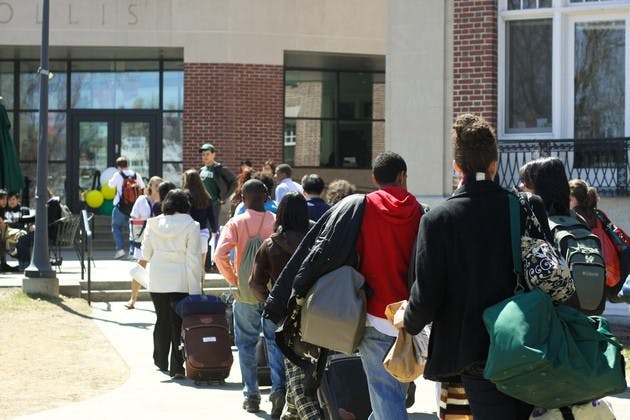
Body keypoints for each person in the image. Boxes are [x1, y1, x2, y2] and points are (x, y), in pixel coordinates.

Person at [266, 151, 423, 419]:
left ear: (374, 178)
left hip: (372, 315)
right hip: (410, 317)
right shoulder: (420, 211)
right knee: (389, 393)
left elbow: (323, 252)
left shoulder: (360, 208)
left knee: (386, 395)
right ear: (402, 177)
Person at [403, 114, 533, 419]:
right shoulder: (525, 206)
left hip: (473, 353)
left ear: (457, 167)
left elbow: (427, 296)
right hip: (527, 343)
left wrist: (408, 323)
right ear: (495, 165)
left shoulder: (437, 220)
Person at [214, 179, 285, 416]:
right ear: (266, 197)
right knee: (275, 341)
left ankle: (251, 395)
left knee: (245, 343)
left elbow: (220, 255)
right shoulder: (276, 223)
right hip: (272, 291)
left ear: (243, 199)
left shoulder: (236, 222)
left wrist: (233, 279)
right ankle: (277, 390)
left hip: (244, 292)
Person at [250, 192, 318, 420]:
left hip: (280, 313)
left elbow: (255, 284)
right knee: (311, 358)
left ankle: (279, 391)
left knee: (277, 353)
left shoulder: (269, 245)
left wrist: (270, 300)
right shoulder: (317, 243)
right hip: (313, 311)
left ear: (280, 215)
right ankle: (306, 399)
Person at [142, 189, 202, 378]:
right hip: (181, 278)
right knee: (178, 322)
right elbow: (193, 259)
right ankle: (177, 366)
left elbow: (145, 254)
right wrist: (196, 290)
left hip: (158, 277)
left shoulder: (153, 223)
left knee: (161, 319)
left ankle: (159, 359)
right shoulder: (192, 225)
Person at [125, 176, 163, 309]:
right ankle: (133, 298)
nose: (158, 188)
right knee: (140, 268)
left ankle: (159, 302)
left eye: (160, 185)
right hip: (144, 238)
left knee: (158, 270)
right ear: (150, 186)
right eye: (156, 185)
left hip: (159, 239)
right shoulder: (142, 200)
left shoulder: (164, 201)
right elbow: (133, 218)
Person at [108, 156, 145, 260]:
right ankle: (133, 252)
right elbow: (142, 187)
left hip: (120, 207)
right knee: (132, 230)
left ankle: (120, 250)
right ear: (127, 165)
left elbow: (110, 185)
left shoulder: (118, 175)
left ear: (119, 167)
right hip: (134, 207)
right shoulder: (136, 174)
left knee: (116, 227)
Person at [182, 169, 216, 280]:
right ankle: (201, 290)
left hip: (188, 232)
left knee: (188, 264)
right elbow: (212, 216)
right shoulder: (206, 196)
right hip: (203, 232)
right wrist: (214, 230)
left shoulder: (185, 195)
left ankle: (189, 291)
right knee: (201, 266)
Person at [199, 143, 237, 235]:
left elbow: (234, 182)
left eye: (207, 154)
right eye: (203, 154)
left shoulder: (219, 169)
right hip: (204, 204)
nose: (205, 157)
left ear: (213, 154)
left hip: (216, 204)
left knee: (217, 230)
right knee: (206, 230)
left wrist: (224, 197)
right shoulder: (202, 170)